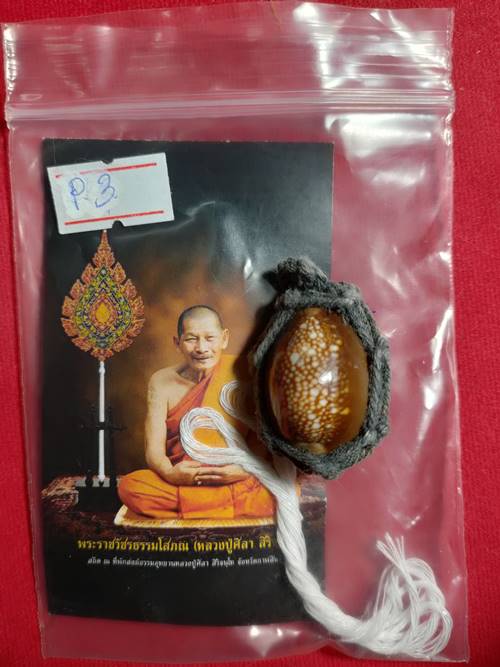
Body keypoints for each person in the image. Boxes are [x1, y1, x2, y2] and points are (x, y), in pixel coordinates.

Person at [118, 305, 275, 519]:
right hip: (183, 479)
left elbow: (262, 442)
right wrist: (170, 474)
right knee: (131, 487)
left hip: (235, 476)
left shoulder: (244, 373)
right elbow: (153, 450)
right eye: (191, 339)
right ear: (177, 343)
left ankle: (190, 506)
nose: (201, 348)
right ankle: (230, 505)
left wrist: (244, 470)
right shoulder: (161, 381)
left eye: (210, 338)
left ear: (224, 339)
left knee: (283, 485)